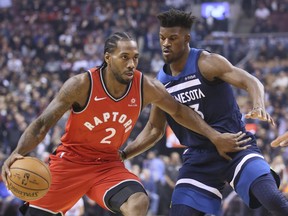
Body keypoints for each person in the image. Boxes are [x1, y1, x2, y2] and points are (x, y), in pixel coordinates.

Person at [1, 32, 249, 216]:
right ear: (108, 58)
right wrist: (18, 153)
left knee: (138, 202)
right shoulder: (81, 85)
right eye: (124, 57)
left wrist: (215, 136)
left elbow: (180, 112)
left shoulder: (146, 86)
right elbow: (42, 124)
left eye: (135, 57)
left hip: (108, 165)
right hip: (70, 163)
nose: (132, 63)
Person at [122, 9, 288, 216]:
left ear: (186, 38)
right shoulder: (161, 83)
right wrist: (123, 154)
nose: (165, 44)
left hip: (235, 145)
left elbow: (250, 81)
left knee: (272, 199)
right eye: (162, 38)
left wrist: (258, 104)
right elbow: (154, 129)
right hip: (199, 157)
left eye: (172, 38)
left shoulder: (206, 62)